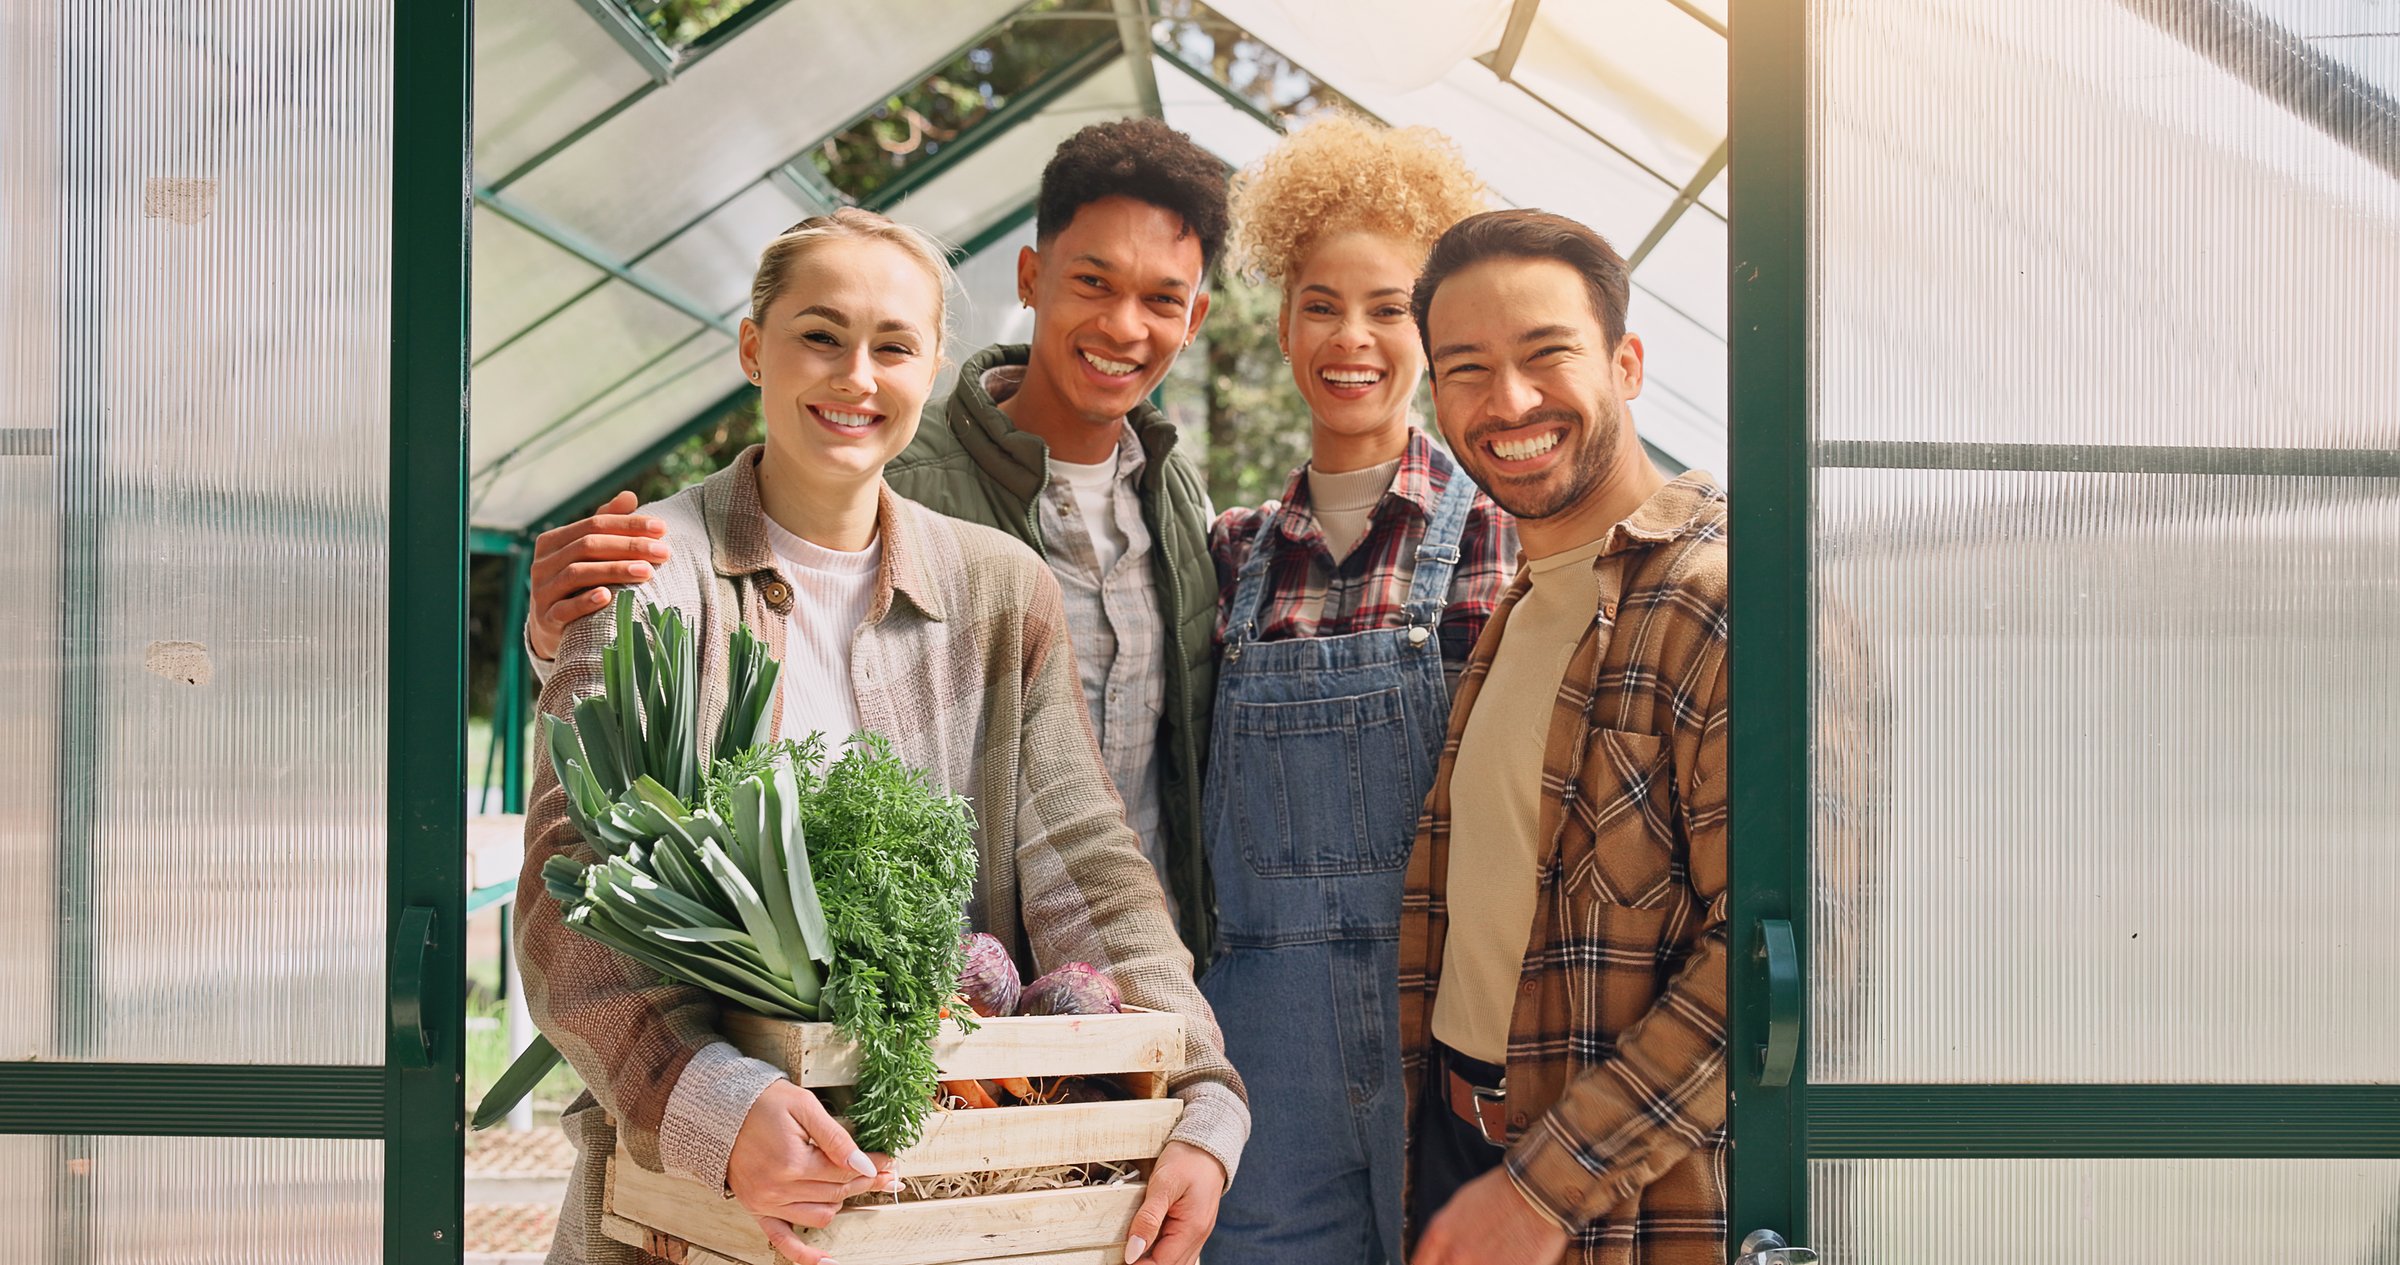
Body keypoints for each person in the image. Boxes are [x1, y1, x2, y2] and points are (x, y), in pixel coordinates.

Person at [516, 210, 1247, 1265]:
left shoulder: (999, 590)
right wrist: (715, 1106)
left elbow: (1090, 872)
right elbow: (571, 907)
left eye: (894, 345)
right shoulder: (646, 579)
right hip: (698, 1222)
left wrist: (1198, 1095)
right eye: (820, 334)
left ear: (934, 366)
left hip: (945, 1205)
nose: (856, 375)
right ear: (753, 345)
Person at [525, 117, 1229, 961]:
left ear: (1196, 318)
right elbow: (591, 876)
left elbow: (1110, 821)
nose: (1123, 325)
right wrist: (560, 641)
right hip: (864, 1026)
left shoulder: (1178, 503)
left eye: (1162, 298)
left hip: (1056, 1004)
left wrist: (1171, 1029)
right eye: (1095, 281)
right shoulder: (899, 473)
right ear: (1033, 279)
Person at [1197, 114, 1512, 1265]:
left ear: (1432, 328)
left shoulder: (1501, 539)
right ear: (1282, 320)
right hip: (1260, 1051)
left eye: (1390, 307)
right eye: (1322, 303)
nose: (1352, 337)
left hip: (1446, 1019)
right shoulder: (1228, 553)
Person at [1396, 210, 1730, 1265]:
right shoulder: (1524, 600)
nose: (1509, 403)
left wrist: (1544, 1191)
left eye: (1547, 355)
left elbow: (1789, 957)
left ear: (1627, 363)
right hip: (1460, 1152)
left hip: (1611, 1205)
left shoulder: (1718, 598)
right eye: (1466, 370)